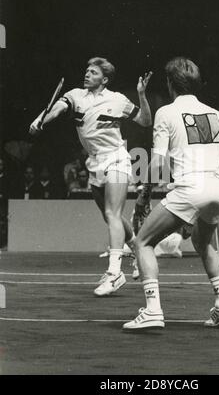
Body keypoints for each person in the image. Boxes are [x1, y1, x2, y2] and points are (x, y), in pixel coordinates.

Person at [123, 57, 219, 330]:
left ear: (169, 84)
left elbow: (157, 162)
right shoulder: (217, 115)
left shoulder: (165, 112)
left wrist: (144, 196)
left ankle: (152, 310)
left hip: (190, 188)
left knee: (143, 243)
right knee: (204, 242)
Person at [29, 57, 152, 295]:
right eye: (87, 71)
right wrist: (40, 118)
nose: (87, 75)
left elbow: (146, 121)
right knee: (110, 217)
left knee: (112, 213)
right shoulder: (76, 95)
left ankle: (115, 273)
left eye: (93, 72)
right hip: (94, 162)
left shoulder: (118, 100)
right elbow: (58, 107)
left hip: (116, 157)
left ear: (104, 79)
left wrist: (142, 95)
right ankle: (138, 249)